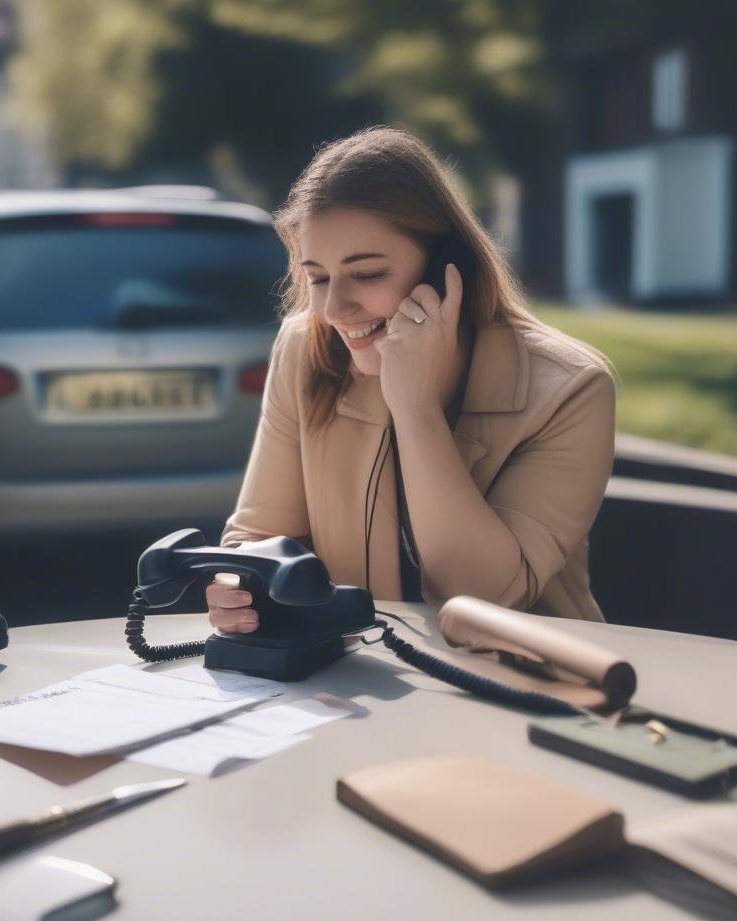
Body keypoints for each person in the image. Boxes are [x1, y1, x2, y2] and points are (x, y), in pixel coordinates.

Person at [206, 127, 616, 635]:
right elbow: (259, 537)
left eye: (368, 274)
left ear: (448, 268)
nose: (334, 309)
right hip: (361, 680)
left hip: (526, 683)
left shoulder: (571, 390)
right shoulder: (305, 350)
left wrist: (415, 408)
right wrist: (237, 582)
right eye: (317, 277)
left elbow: (486, 598)